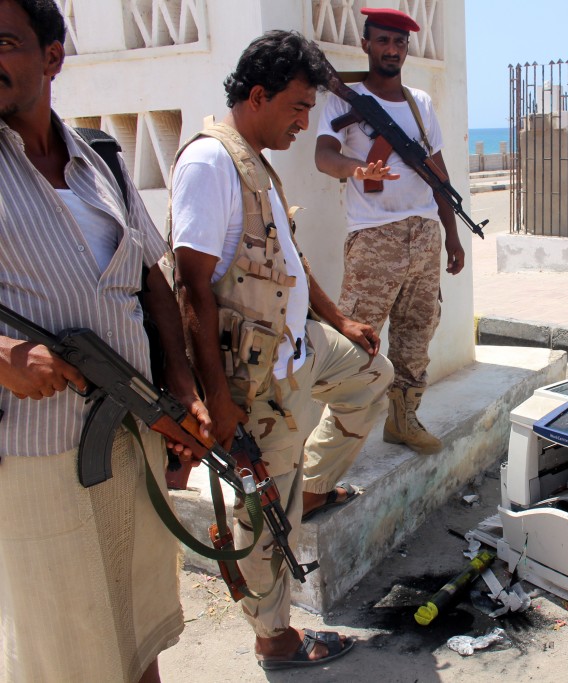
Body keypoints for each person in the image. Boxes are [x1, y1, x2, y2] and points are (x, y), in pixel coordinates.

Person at [0, 1, 213, 681]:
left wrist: (180, 394)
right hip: (34, 453)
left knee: (135, 625)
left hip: (132, 434)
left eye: (4, 43)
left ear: (52, 57)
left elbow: (152, 279)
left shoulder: (101, 158)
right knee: (69, 648)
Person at [168, 30, 393, 670]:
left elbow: (286, 261)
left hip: (302, 349)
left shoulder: (253, 157)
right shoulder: (211, 162)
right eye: (297, 108)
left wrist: (340, 319)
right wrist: (216, 400)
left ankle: (317, 486)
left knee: (375, 374)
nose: (304, 123)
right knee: (268, 514)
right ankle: (276, 640)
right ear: (259, 95)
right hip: (256, 379)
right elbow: (192, 290)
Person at [314, 6, 465, 455]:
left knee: (416, 334)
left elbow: (439, 173)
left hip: (424, 235)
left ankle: (404, 419)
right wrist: (358, 169)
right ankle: (336, 438)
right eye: (383, 40)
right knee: (356, 338)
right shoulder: (345, 99)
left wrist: (452, 234)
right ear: (366, 44)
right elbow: (324, 156)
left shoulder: (420, 104)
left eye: (400, 43)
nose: (392, 49)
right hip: (374, 237)